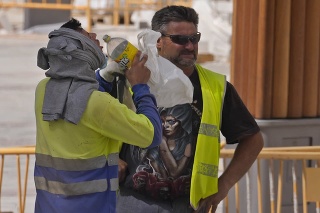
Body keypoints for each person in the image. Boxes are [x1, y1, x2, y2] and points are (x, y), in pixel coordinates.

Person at [112, 5, 264, 213]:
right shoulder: (131, 79)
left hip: (189, 204)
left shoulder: (215, 87)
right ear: (158, 41)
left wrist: (224, 185)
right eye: (181, 40)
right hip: (133, 201)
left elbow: (253, 139)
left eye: (195, 38)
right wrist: (111, 158)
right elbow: (91, 126)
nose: (190, 46)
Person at [34, 18, 162, 213]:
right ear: (76, 51)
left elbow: (75, 97)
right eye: (87, 36)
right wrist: (140, 86)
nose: (94, 36)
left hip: (49, 206)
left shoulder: (43, 90)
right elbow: (151, 135)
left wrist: (104, 77)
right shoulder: (98, 104)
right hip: (92, 206)